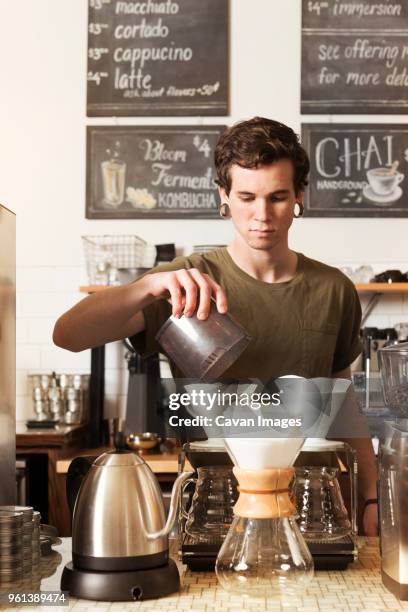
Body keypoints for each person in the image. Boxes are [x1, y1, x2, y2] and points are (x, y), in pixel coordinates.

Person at [53, 117, 378, 535]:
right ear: (224, 196)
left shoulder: (333, 289)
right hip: (213, 505)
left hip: (311, 506)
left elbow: (343, 403)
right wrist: (149, 285)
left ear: (299, 195)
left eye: (278, 197)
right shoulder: (185, 282)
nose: (262, 215)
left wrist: (370, 496)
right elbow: (68, 335)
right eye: (246, 196)